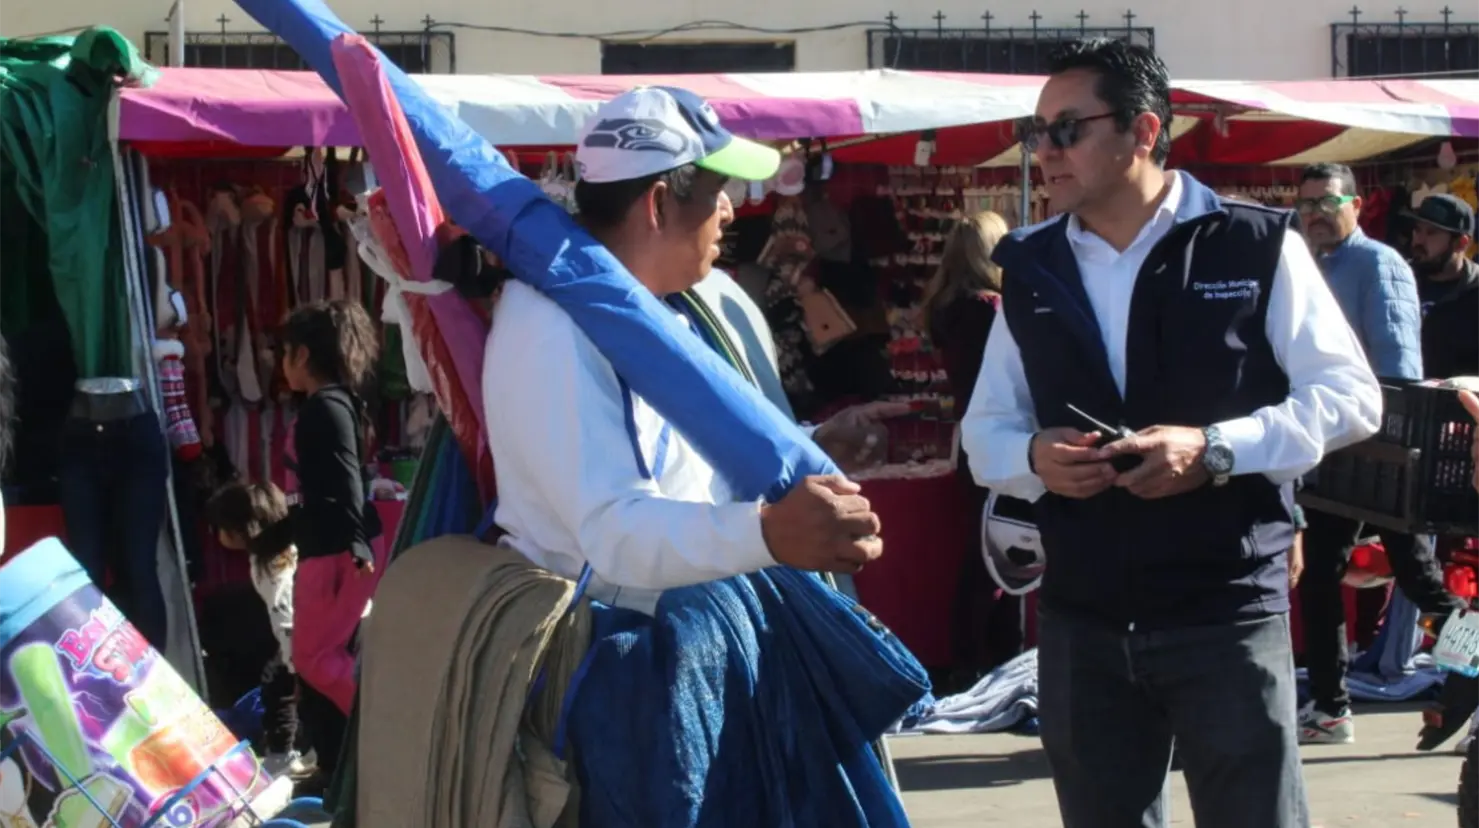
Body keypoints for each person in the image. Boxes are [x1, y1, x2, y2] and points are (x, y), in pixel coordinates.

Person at [961, 38, 1380, 827]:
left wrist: (1217, 448)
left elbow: (1350, 397)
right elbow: (985, 431)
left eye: (1066, 129)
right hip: (1082, 614)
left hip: (1224, 608)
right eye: (1035, 132)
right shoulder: (1031, 264)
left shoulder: (1253, 243)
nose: (1044, 151)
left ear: (1143, 130)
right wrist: (1033, 457)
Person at [481, 86, 909, 819]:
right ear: (657, 203)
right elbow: (611, 533)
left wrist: (808, 449)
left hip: (684, 650)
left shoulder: (657, 307)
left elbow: (681, 466)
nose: (732, 211)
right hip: (629, 679)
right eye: (718, 192)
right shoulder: (550, 327)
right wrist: (767, 532)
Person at [1295, 163, 1463, 744]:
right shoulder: (1313, 264)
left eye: (1327, 202)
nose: (1315, 214)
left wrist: (1386, 450)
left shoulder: (1377, 263)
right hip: (1334, 448)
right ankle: (1330, 706)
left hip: (1380, 451)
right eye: (1306, 204)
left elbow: (1398, 368)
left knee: (1418, 578)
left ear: (1356, 205)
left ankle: (1468, 671)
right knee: (1321, 575)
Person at [278, 298, 384, 779]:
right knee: (320, 658)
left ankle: (382, 724)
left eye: (285, 353)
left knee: (313, 657)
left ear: (301, 355)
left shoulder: (327, 407)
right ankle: (340, 762)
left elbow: (347, 475)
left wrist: (357, 543)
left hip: (338, 553)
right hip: (334, 549)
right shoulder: (334, 404)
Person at [921, 211, 1023, 675]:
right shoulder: (989, 310)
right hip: (1000, 436)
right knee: (995, 556)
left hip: (971, 436)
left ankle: (984, 658)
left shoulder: (946, 308)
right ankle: (983, 660)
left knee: (989, 551)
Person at [207, 479, 310, 778]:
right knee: (279, 684)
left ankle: (282, 753)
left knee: (278, 687)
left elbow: (285, 618)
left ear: (242, 531)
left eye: (221, 527)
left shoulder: (272, 569)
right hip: (309, 635)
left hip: (304, 641)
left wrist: (294, 666)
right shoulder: (284, 550)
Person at [1409, 194, 1479, 379]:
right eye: (1417, 230)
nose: (1419, 241)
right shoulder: (1398, 281)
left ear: (1461, 243)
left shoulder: (1474, 290)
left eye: (1431, 233)